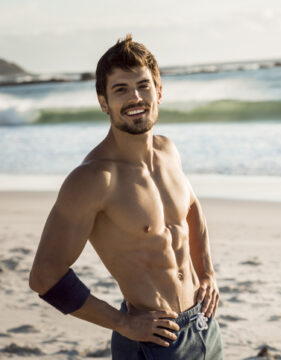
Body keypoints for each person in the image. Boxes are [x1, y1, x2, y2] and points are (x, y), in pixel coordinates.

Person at [29, 34, 223, 359]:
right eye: (121, 89)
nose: (135, 97)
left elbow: (190, 207)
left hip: (204, 322)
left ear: (158, 92)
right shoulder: (92, 179)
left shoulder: (168, 151)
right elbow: (44, 276)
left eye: (143, 86)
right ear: (104, 102)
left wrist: (207, 273)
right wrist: (123, 323)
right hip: (154, 341)